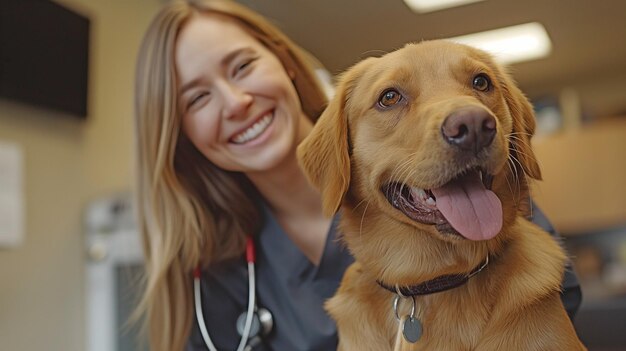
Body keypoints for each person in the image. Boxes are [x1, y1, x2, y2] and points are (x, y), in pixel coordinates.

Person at [133, 1, 581, 350]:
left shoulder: (482, 201)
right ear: (181, 134)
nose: (235, 102)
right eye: (197, 98)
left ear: (285, 61)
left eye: (243, 66)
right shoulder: (214, 268)